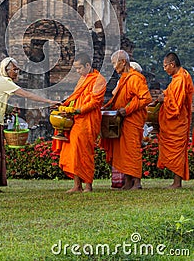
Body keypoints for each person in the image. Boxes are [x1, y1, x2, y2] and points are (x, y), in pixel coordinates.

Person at [0, 57, 59, 193]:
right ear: (6, 70)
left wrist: (9, 109)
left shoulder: (5, 82)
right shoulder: (4, 82)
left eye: (17, 70)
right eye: (14, 69)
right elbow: (26, 94)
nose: (16, 72)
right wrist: (49, 101)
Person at [101, 50, 152, 190]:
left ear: (123, 62)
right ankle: (128, 181)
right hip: (122, 120)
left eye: (114, 63)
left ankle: (137, 182)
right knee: (123, 151)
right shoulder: (124, 78)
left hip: (132, 119)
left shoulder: (135, 78)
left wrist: (127, 109)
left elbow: (146, 98)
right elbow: (118, 99)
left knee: (132, 150)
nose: (113, 67)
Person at [56, 52, 106, 193]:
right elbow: (75, 97)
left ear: (88, 65)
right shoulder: (82, 80)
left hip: (88, 120)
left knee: (85, 152)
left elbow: (95, 102)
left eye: (79, 68)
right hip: (76, 120)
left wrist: (77, 111)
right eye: (76, 69)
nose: (78, 71)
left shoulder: (99, 80)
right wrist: (65, 106)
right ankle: (77, 185)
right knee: (74, 152)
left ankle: (88, 185)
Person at [157, 52, 193, 188]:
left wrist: (163, 99)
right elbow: (170, 93)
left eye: (165, 66)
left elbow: (176, 105)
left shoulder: (181, 79)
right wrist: (164, 95)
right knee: (173, 151)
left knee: (177, 152)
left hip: (178, 121)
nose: (164, 69)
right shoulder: (176, 79)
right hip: (174, 123)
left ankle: (177, 182)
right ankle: (175, 181)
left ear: (172, 64)